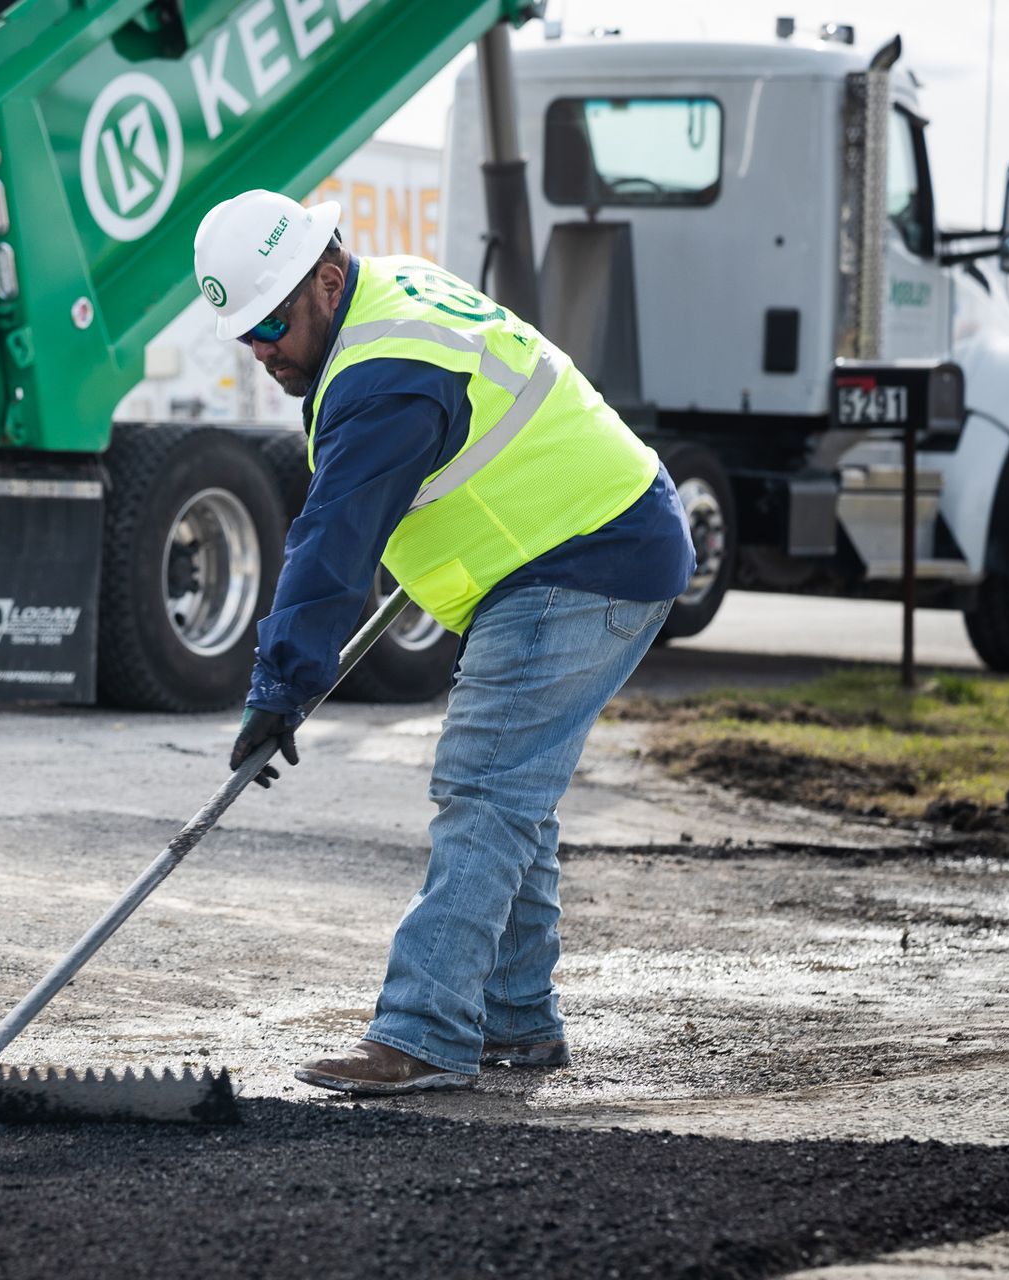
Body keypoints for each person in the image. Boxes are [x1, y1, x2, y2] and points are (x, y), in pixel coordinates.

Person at [192, 189, 695, 1094]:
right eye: (247, 334)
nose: (263, 350)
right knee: (513, 794)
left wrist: (277, 689)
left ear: (327, 281)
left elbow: (332, 542)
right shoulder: (390, 302)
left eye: (271, 322)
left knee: (484, 786)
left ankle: (425, 1031)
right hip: (587, 541)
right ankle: (515, 1019)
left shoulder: (386, 375)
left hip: (584, 554)